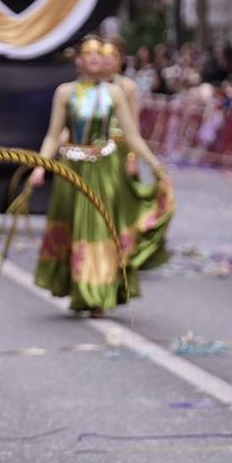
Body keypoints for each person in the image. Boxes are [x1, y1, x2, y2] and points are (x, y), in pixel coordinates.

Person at [29, 35, 172, 316]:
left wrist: (155, 166)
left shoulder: (115, 93)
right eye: (88, 53)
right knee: (73, 227)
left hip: (104, 170)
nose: (95, 57)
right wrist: (40, 165)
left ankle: (98, 294)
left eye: (99, 53)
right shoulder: (65, 92)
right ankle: (78, 289)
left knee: (98, 228)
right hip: (70, 169)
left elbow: (132, 135)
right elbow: (53, 135)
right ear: (79, 60)